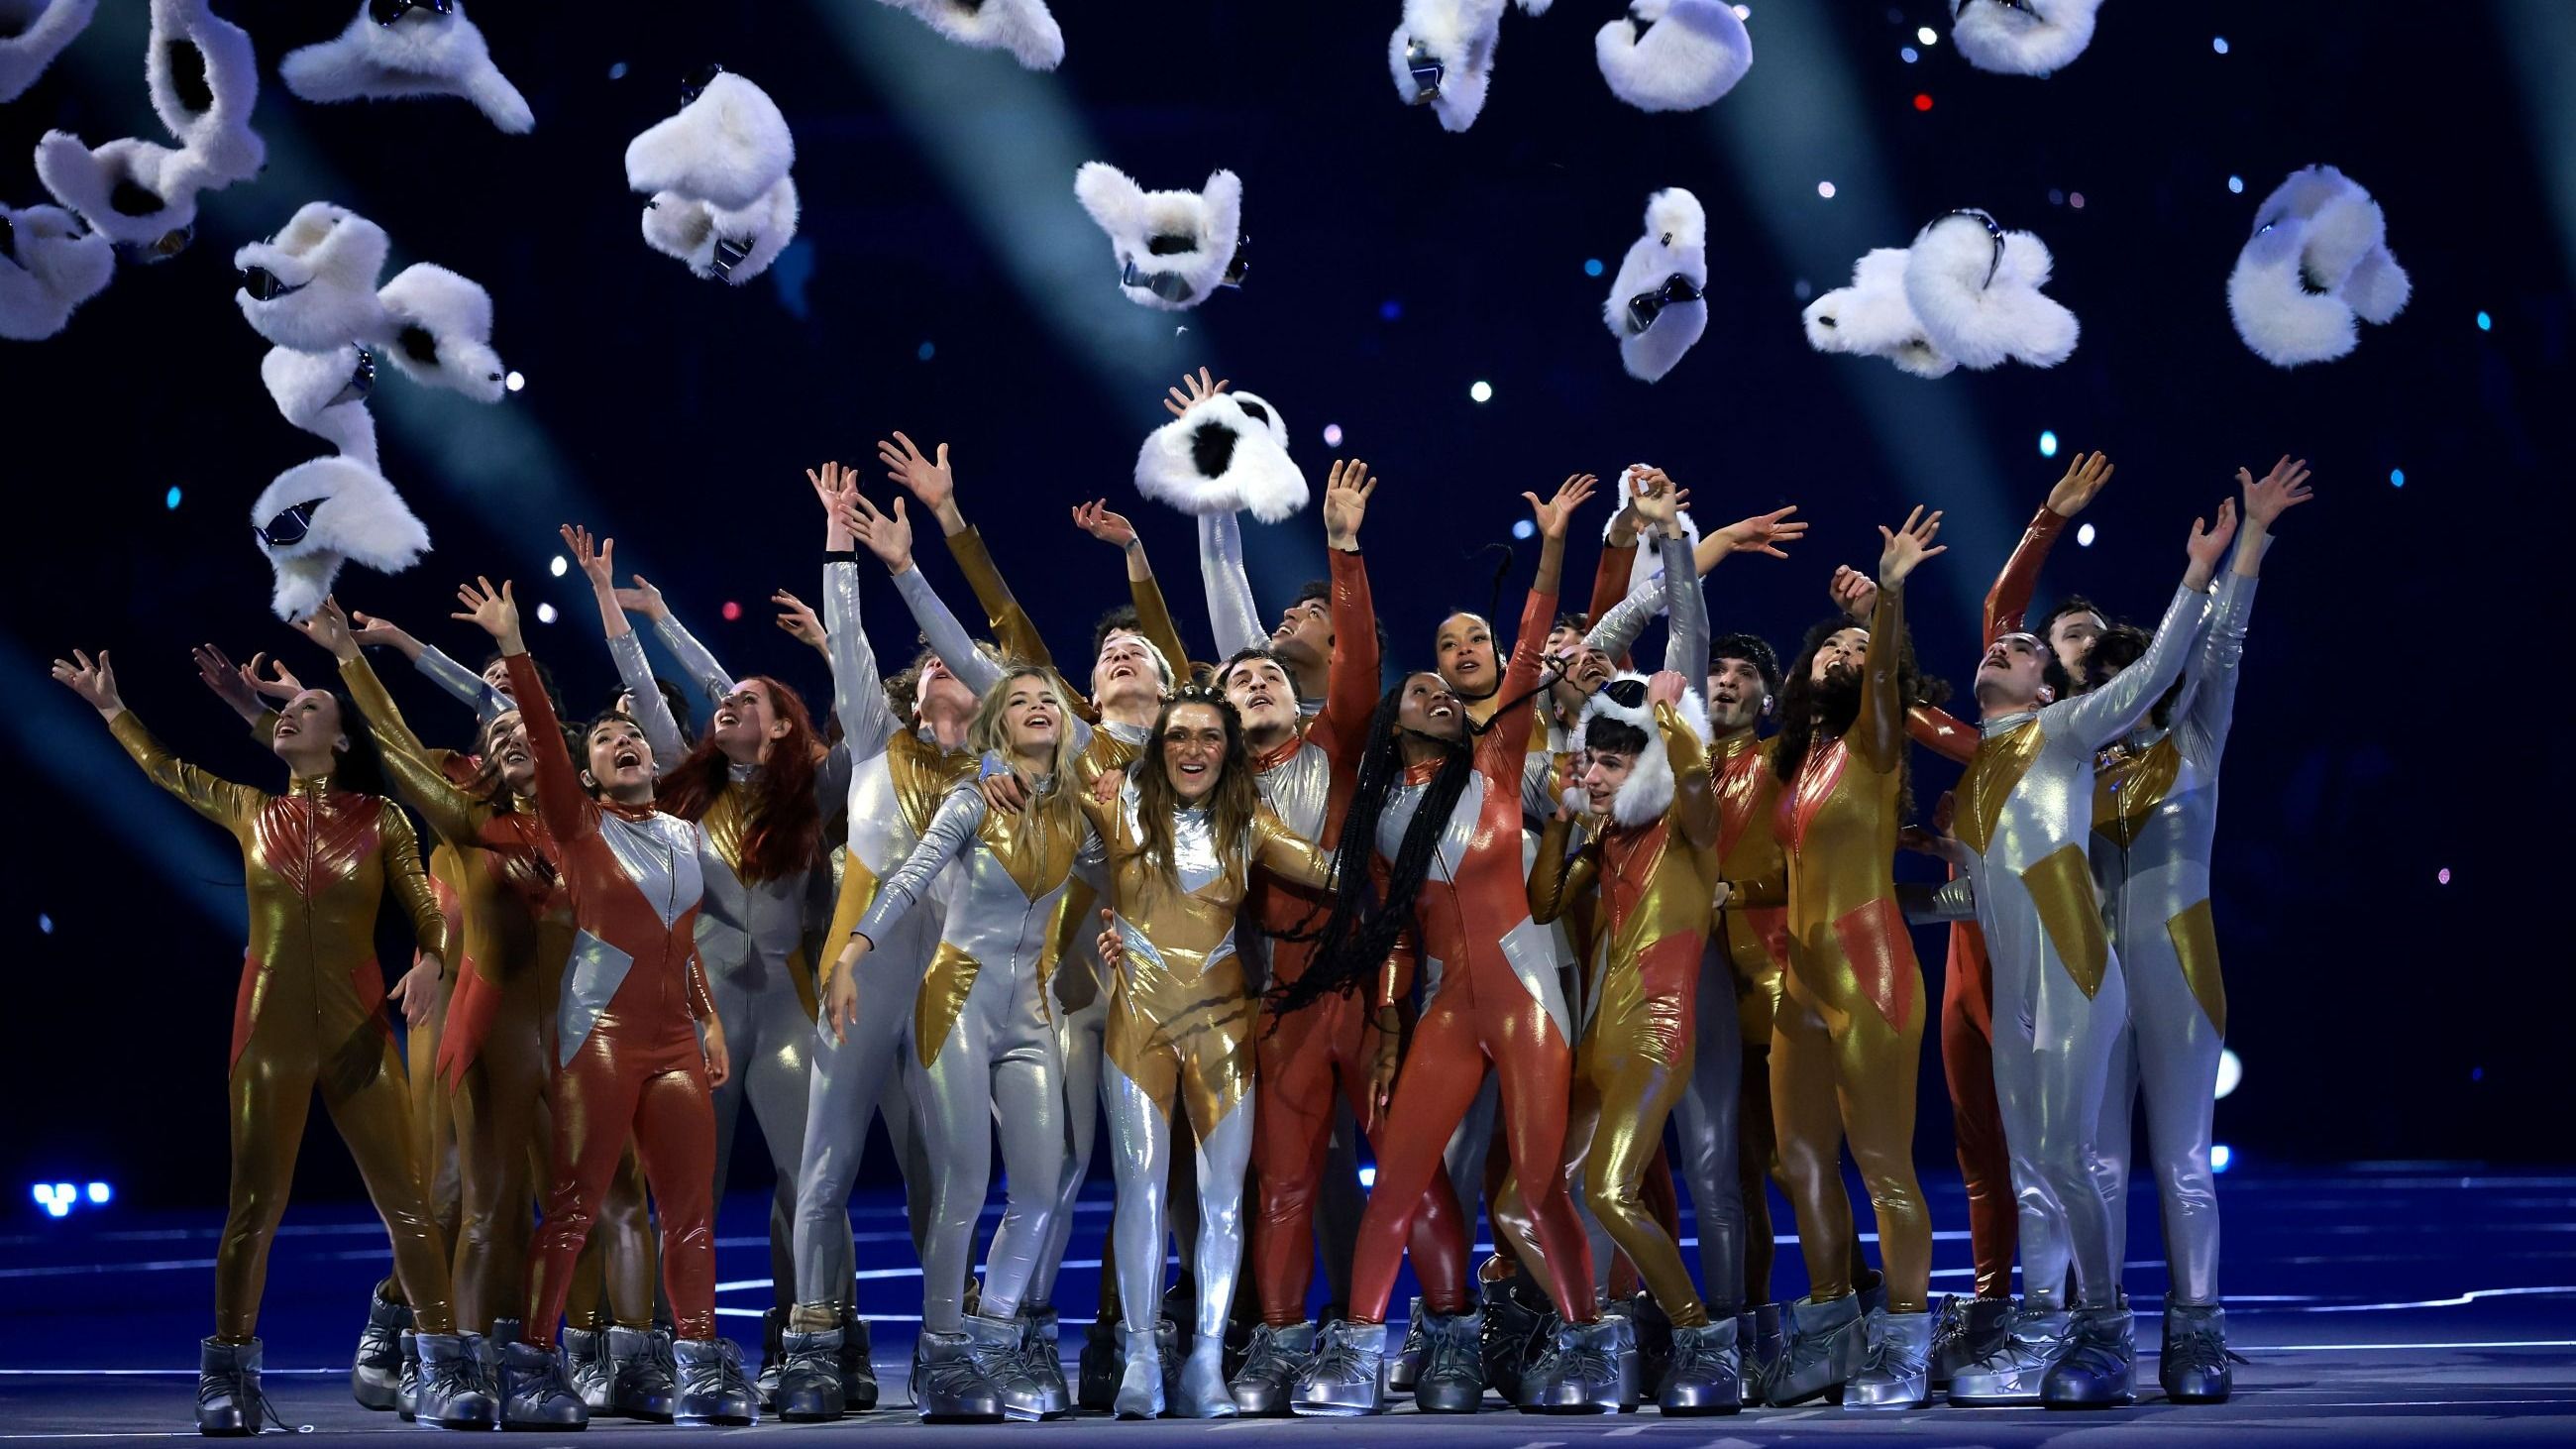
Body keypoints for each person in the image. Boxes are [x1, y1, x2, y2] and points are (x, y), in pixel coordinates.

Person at [51, 647, 490, 1433]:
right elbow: (166, 771)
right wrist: (112, 709)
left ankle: (441, 1367)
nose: (289, 715)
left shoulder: (382, 819)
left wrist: (432, 962)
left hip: (358, 1033)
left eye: (308, 707)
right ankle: (227, 1377)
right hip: (266, 1032)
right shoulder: (251, 809)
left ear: (342, 738)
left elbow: (429, 913)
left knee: (409, 1205)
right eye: (286, 711)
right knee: (252, 1208)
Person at [1278, 476, 1627, 1416]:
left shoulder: (1501, 763)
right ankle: (1358, 1348)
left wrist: (1554, 545)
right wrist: (1394, 1026)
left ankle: (1589, 1342)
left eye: (1447, 690)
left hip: (1527, 1000)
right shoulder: (1375, 818)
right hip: (1444, 1006)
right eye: (1423, 688)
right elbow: (1394, 933)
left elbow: (1530, 642)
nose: (1440, 694)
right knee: (1396, 1180)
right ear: (1393, 717)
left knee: (1541, 1184)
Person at [1931, 504, 2222, 1409]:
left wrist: (2200, 574)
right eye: (2003, 644)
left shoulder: (2063, 735)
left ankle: (2105, 1327)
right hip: (2018, 997)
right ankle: (2048, 1333)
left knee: (2071, 1160)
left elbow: (2162, 671)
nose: (2004, 646)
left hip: (2080, 981)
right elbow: (1978, 897)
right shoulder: (1976, 781)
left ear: (2048, 689)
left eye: (2024, 647)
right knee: (2036, 1173)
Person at [1212, 459, 1485, 1413]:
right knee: (1282, 1186)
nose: (1257, 681)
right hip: (1280, 1006)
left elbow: (1359, 656)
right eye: (1239, 679)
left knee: (1411, 1172)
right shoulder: (1214, 794)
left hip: (1368, 994)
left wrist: (1344, 548)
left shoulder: (1336, 742)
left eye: (1267, 674)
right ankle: (1282, 1342)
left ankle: (1451, 1335)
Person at [1843, 449, 2118, 1384]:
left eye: (2077, 640)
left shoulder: (2077, 737)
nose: (2055, 642)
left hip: (2052, 960)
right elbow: (1994, 621)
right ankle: (2003, 1307)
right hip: (1974, 949)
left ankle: (2084, 1314)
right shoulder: (1997, 736)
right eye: (2057, 634)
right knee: (1982, 1145)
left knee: (2061, 1149)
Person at [448, 578, 750, 1430]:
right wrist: (513, 645)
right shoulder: (579, 828)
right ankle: (533, 1365)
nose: (624, 742)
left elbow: (682, 942)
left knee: (689, 1211)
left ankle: (699, 1362)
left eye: (632, 736)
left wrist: (709, 1017)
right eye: (607, 739)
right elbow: (545, 742)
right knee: (576, 1203)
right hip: (602, 1035)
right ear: (584, 774)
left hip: (674, 1040)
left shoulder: (686, 834)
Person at [562, 521, 847, 1409]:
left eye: (748, 700)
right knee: (687, 1189)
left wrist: (833, 646)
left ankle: (815, 1342)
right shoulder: (684, 792)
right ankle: (661, 1348)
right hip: (699, 1009)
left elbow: (864, 718)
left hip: (789, 1006)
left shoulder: (815, 791)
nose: (727, 703)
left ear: (783, 724)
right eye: (724, 700)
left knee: (810, 1179)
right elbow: (650, 687)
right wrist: (626, 608)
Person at [2089, 457, 2311, 1403]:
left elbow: (2224, 643)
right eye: (2105, 680)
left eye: (2135, 675)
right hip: (2092, 978)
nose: (2122, 690)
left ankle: (2197, 1334)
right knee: (2098, 1163)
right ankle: (2101, 1333)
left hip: (2181, 967)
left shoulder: (2196, 739)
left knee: (2182, 1160)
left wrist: (2249, 538)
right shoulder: (2071, 763)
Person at [826, 665, 1098, 1422]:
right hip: (955, 1002)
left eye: (1048, 699)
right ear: (997, 726)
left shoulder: (1081, 813)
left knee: (1041, 1190)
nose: (1038, 707)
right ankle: (942, 1352)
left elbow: (1136, 876)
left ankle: (993, 1338)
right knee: (966, 1187)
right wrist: (850, 956)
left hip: (1031, 1014)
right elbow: (909, 877)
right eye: (1020, 700)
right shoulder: (974, 797)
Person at [778, 461, 982, 1420]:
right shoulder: (872, 738)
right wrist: (837, 539)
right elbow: (850, 639)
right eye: (928, 660)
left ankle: (948, 1341)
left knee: (947, 1171)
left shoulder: (1000, 771)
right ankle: (814, 1342)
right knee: (826, 1163)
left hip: (954, 984)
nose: (936, 662)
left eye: (955, 659)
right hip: (858, 975)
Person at [1081, 687, 1338, 1417]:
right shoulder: (1117, 806)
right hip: (1138, 1030)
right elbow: (1044, 787)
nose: (1193, 749)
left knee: (1222, 1201)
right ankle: (1139, 1359)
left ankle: (1204, 1363)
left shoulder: (1250, 824)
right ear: (1157, 748)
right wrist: (994, 778)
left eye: (1210, 737)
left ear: (1230, 752)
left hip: (1224, 1030)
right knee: (1141, 1191)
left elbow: (1333, 873)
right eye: (1178, 736)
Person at [1761, 507, 1946, 1408]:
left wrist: (1889, 600)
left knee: (1884, 1167)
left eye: (1856, 650)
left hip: (1869, 976)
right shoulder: (1794, 761)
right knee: (1799, 1161)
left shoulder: (1877, 743)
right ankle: (1833, 1327)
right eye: (1828, 647)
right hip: (1799, 984)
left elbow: (1881, 682)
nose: (1840, 655)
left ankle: (1905, 1339)